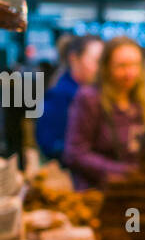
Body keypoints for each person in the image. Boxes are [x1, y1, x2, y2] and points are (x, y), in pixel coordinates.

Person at [64, 36, 145, 189]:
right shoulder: (90, 98)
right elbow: (75, 153)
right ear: (107, 66)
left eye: (135, 65)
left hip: (138, 190)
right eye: (122, 66)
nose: (129, 73)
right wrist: (124, 171)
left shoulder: (143, 100)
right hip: (100, 193)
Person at [36, 33, 103, 163]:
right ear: (74, 59)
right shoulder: (59, 95)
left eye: (103, 61)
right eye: (96, 61)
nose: (101, 68)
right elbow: (49, 144)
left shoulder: (99, 92)